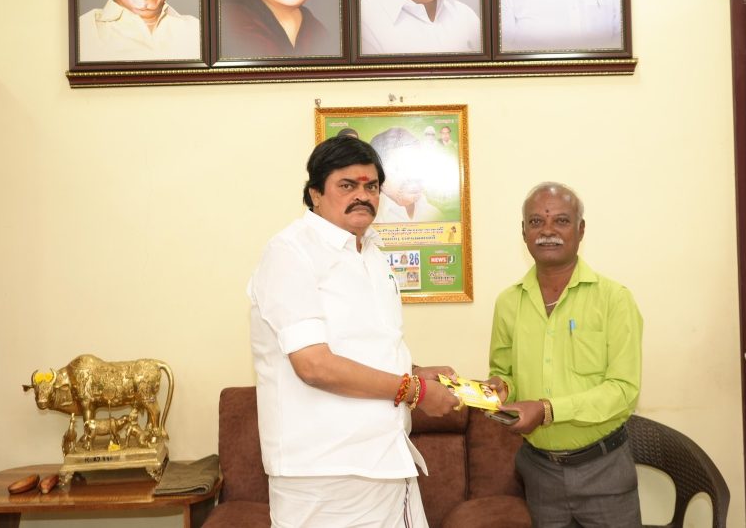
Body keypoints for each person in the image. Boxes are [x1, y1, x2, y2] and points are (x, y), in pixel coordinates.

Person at [248, 135, 460, 526]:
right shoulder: (290, 252)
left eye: (371, 186)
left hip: (386, 461)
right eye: (347, 185)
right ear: (315, 193)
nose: (362, 195)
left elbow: (364, 348)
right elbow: (314, 365)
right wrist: (415, 391)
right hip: (324, 475)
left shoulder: (373, 253)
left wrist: (415, 372)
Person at [486, 182, 643, 527]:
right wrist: (500, 388)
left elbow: (623, 390)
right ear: (523, 231)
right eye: (536, 222)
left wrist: (546, 410)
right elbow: (504, 371)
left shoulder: (614, 299)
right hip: (539, 472)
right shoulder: (508, 302)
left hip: (604, 470)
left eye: (561, 221)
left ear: (581, 229)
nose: (548, 231)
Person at [369, 127, 444, 223]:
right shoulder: (369, 220)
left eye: (417, 165)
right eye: (399, 167)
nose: (413, 176)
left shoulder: (436, 215)